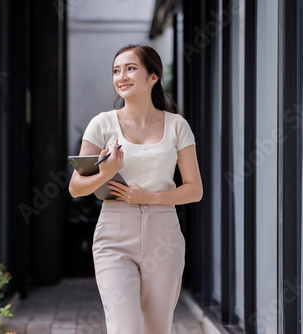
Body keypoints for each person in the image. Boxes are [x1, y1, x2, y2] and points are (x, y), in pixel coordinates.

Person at [68, 44, 203, 334]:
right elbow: (76, 188)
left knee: (156, 328)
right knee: (123, 328)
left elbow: (194, 190)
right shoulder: (102, 124)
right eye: (116, 70)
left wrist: (151, 197)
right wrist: (106, 171)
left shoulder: (177, 126)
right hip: (114, 233)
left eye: (130, 68)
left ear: (153, 77)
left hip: (163, 233)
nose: (121, 76)